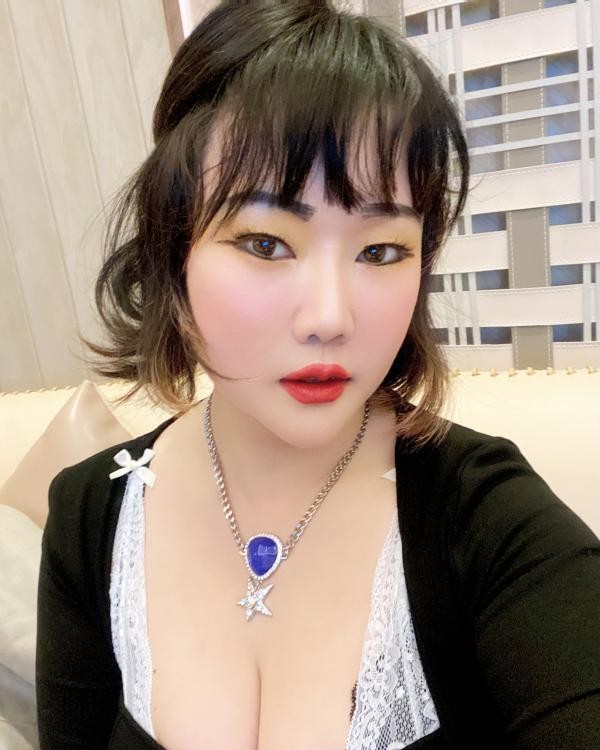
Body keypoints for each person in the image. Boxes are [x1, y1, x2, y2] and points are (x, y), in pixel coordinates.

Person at [35, 1, 600, 748]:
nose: (330, 318)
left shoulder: (488, 519)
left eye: (380, 251)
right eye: (266, 243)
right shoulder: (87, 515)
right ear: (174, 251)